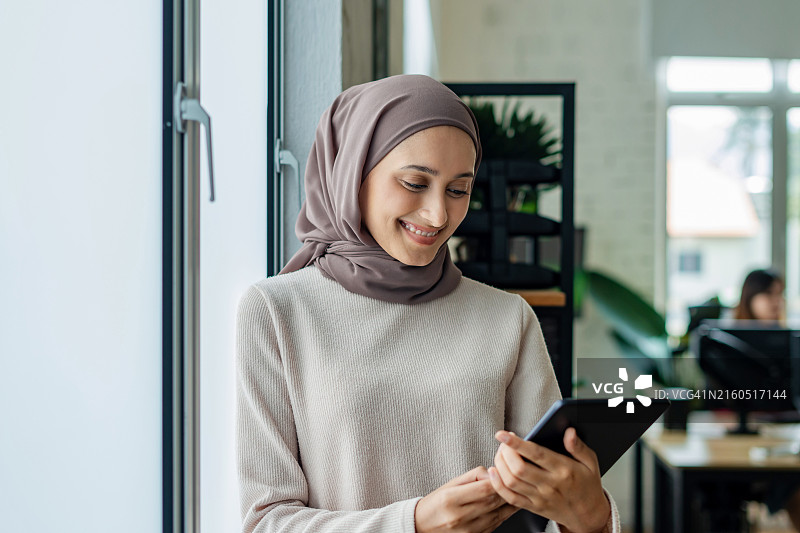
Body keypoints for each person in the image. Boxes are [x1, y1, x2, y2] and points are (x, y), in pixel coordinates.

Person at [235, 74, 620, 533]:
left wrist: (592, 517)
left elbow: (549, 510)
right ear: (352, 173)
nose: (439, 215)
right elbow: (265, 522)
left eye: (458, 190)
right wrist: (413, 523)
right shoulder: (275, 313)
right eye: (415, 182)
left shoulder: (507, 319)